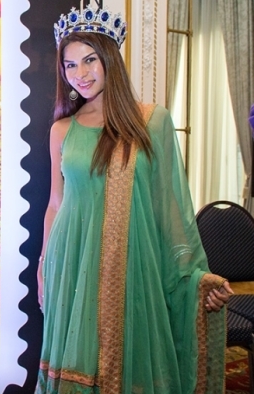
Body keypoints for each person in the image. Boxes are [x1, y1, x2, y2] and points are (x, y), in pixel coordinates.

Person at [36, 5, 233, 393]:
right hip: (71, 262)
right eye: (70, 65)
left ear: (109, 57)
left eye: (90, 59)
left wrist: (195, 277)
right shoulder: (62, 129)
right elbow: (56, 204)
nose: (82, 74)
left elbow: (170, 209)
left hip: (132, 268)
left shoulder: (151, 121)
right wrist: (45, 266)